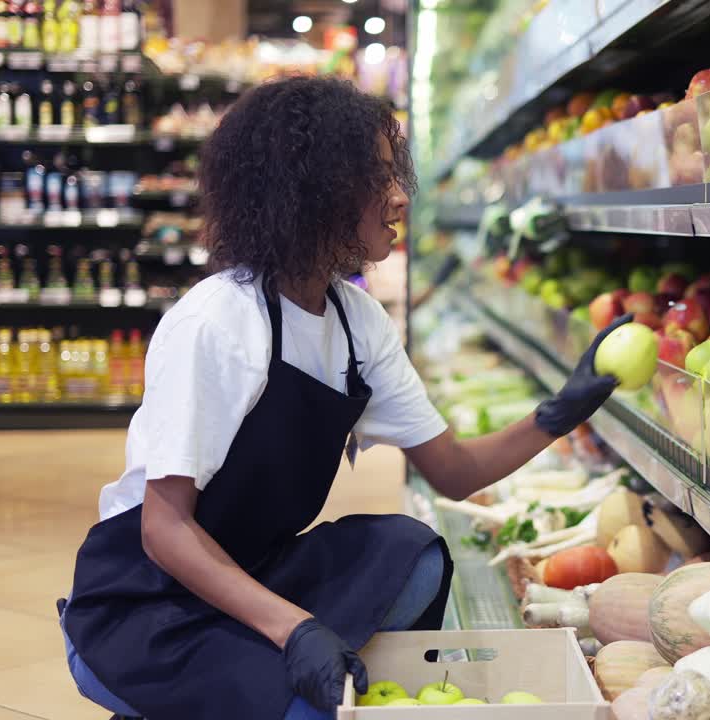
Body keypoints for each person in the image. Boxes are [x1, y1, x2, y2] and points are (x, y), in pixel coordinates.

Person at [58, 76, 629, 720]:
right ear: (313, 191)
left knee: (412, 556)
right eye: (377, 179)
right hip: (149, 602)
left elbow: (454, 471)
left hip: (254, 568)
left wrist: (560, 413)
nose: (399, 197)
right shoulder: (218, 323)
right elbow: (164, 529)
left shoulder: (357, 322)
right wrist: (295, 629)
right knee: (314, 706)